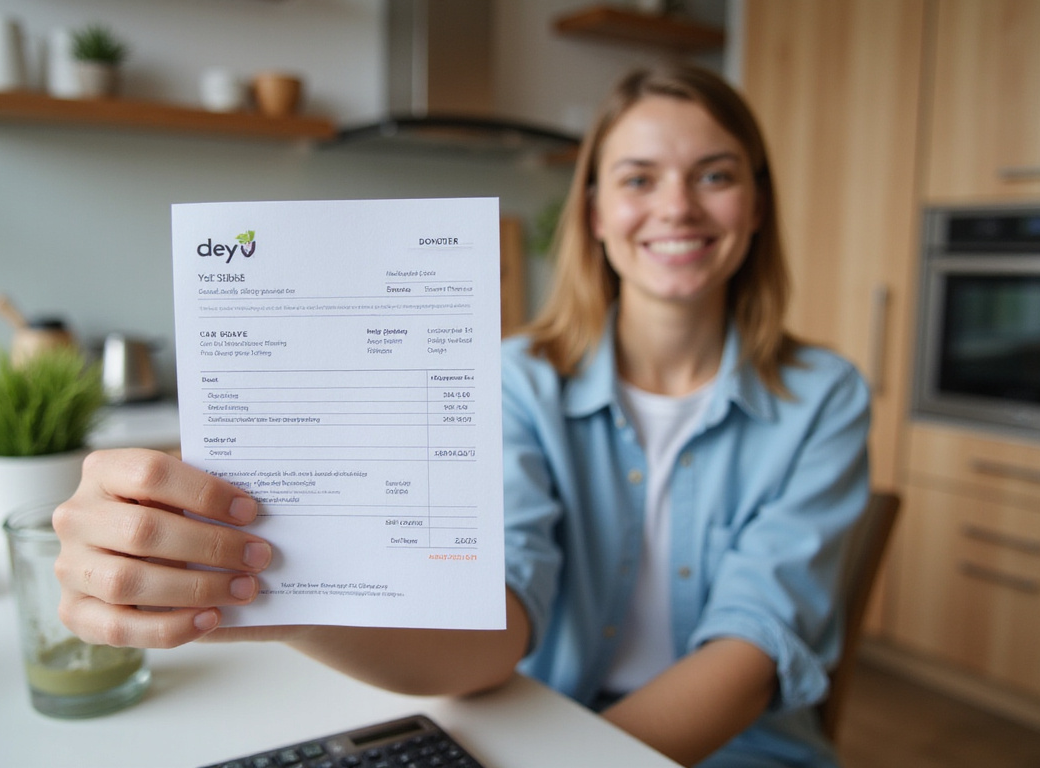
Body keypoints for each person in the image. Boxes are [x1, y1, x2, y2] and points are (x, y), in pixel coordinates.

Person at [52, 62, 869, 768]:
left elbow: (755, 647)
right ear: (592, 213)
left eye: (716, 175)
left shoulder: (823, 396)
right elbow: (497, 615)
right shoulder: (514, 382)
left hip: (736, 749)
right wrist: (280, 591)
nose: (678, 206)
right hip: (544, 724)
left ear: (757, 206)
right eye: (638, 177)